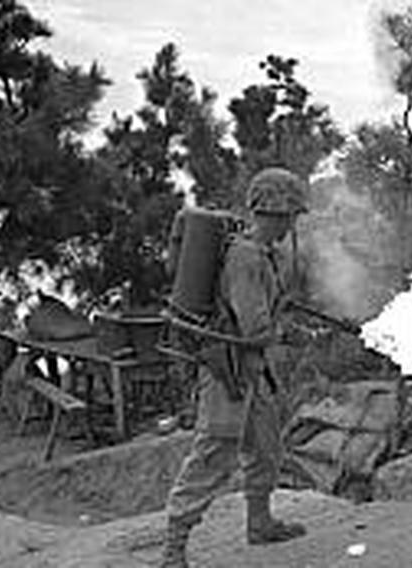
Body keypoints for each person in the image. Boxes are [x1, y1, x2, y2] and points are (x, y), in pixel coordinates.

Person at [161, 167, 310, 568]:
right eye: (292, 214)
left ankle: (259, 524)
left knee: (265, 448)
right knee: (214, 451)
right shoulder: (246, 256)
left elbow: (265, 318)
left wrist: (288, 327)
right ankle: (174, 548)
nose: (293, 223)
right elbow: (255, 327)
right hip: (227, 370)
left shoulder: (262, 254)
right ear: (277, 212)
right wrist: (288, 335)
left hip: (250, 370)